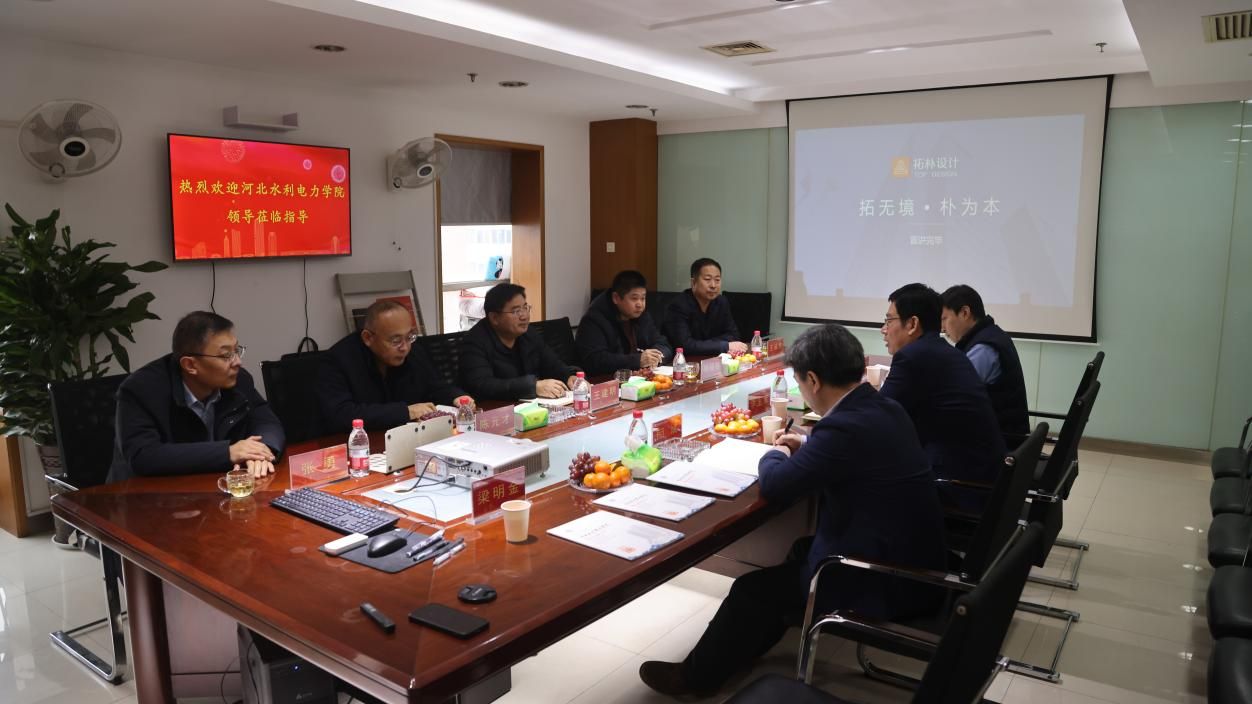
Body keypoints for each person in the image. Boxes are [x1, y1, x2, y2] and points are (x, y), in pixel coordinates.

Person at [639, 324, 946, 696]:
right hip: (917, 559)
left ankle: (694, 680)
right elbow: (848, 451)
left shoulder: (843, 429)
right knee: (798, 552)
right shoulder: (884, 407)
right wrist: (810, 444)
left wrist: (778, 451)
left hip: (885, 577)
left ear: (813, 380)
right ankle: (743, 644)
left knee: (750, 590)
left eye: (799, 382)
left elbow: (776, 485)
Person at [107, 311, 285, 483]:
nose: (238, 362)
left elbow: (267, 421)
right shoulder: (141, 390)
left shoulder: (237, 379)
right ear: (190, 365)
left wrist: (261, 452)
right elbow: (143, 456)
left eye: (237, 350)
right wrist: (228, 452)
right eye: (226, 355)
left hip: (214, 486)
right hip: (145, 494)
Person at [879, 283, 1006, 507]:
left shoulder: (912, 357)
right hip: (985, 480)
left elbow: (875, 420)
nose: (883, 329)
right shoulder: (944, 351)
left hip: (957, 487)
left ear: (912, 324)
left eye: (889, 321)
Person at [318, 300, 469, 433]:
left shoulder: (413, 351)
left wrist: (456, 396)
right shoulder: (338, 361)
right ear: (368, 338)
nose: (405, 347)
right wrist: (405, 412)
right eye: (395, 341)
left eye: (409, 337)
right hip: (356, 443)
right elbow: (341, 414)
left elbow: (434, 386)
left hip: (406, 437)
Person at [458, 283, 579, 401]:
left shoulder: (528, 334)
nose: (524, 316)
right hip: (494, 409)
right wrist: (533, 386)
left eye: (525, 308)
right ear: (494, 318)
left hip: (529, 405)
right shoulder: (474, 342)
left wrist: (568, 376)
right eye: (516, 311)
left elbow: (552, 363)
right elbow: (483, 385)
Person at [940, 284, 1030, 437]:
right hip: (1000, 432)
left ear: (964, 313)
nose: (942, 328)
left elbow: (955, 395)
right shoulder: (991, 335)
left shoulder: (983, 349)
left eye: (944, 319)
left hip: (1000, 439)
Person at [575, 270, 672, 375]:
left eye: (643, 298)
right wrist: (638, 360)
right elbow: (595, 360)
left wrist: (654, 357)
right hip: (604, 380)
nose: (640, 304)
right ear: (616, 298)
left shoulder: (641, 315)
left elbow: (664, 344)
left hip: (636, 377)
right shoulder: (594, 320)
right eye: (634, 298)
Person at [664, 258, 746, 356]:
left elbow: (734, 335)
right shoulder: (679, 305)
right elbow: (684, 345)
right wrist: (723, 345)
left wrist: (703, 345)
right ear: (693, 282)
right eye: (707, 279)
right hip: (685, 361)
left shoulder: (721, 302)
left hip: (713, 358)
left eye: (717, 280)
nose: (713, 285)